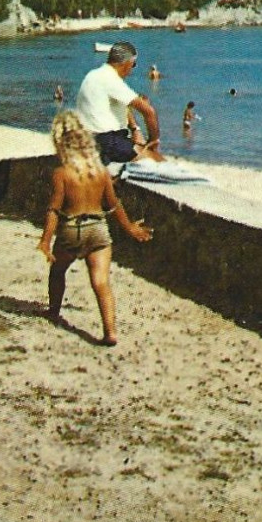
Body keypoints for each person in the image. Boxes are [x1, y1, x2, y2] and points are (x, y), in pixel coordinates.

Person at [37, 110, 153, 347]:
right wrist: (129, 227)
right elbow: (113, 205)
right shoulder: (100, 172)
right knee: (101, 282)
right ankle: (110, 332)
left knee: (58, 271)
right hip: (98, 230)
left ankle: (54, 311)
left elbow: (54, 210)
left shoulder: (61, 174)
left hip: (71, 229)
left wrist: (46, 240)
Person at [74, 41, 162, 165]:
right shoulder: (111, 80)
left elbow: (123, 104)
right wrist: (153, 142)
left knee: (136, 146)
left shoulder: (94, 75)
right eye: (134, 65)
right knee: (157, 159)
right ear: (128, 63)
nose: (132, 70)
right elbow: (149, 112)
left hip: (86, 136)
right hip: (105, 141)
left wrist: (135, 129)